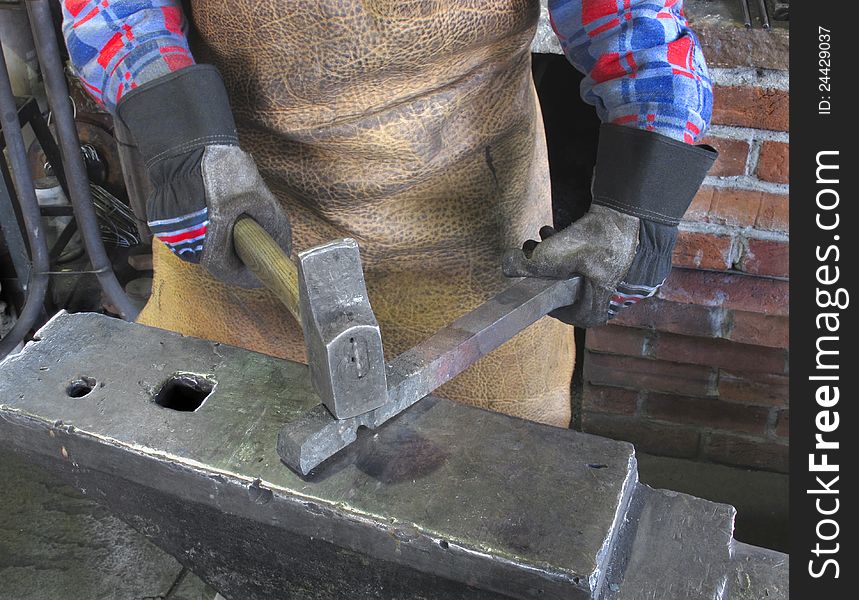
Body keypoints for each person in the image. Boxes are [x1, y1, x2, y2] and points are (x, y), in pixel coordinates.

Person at [61, 0, 716, 427]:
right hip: (243, 219)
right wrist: (179, 136)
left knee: (494, 506)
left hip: (475, 245)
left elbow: (632, 19)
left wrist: (646, 190)